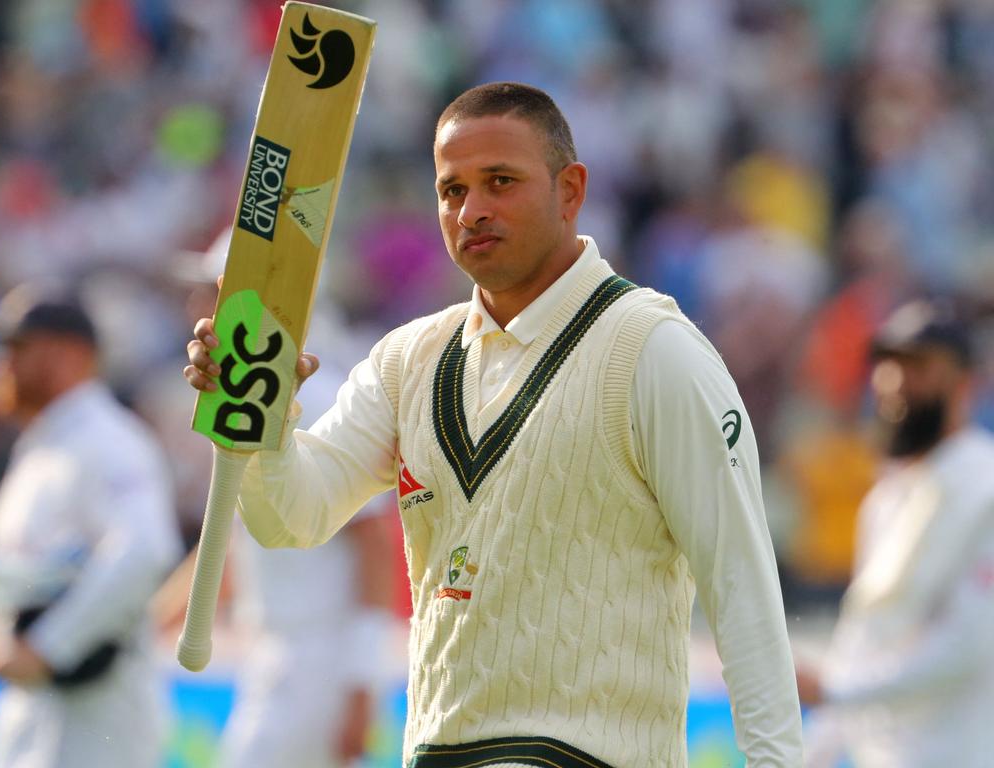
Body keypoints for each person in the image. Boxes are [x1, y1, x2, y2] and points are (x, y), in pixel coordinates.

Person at [185, 82, 802, 766]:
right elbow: (290, 518)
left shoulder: (653, 350)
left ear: (570, 190)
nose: (472, 210)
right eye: (452, 190)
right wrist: (259, 416)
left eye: (500, 182)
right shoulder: (408, 359)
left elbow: (742, 588)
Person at [153, 229, 400, 768]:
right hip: (274, 657)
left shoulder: (329, 391)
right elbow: (233, 533)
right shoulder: (250, 392)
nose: (198, 307)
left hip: (318, 664)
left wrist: (360, 682)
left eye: (213, 291)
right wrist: (150, 624)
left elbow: (375, 544)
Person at [0, 283, 183, 768]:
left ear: (70, 355)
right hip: (34, 707)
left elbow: (146, 549)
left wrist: (48, 647)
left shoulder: (109, 441)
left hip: (96, 714)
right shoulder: (43, 446)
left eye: (15, 348)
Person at [797, 298, 994, 767]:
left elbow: (971, 643)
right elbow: (863, 637)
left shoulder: (985, 485)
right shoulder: (885, 499)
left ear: (965, 382)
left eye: (920, 366)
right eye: (889, 363)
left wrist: (835, 691)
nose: (896, 381)